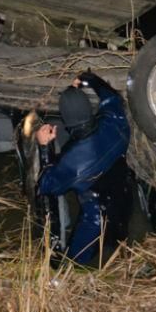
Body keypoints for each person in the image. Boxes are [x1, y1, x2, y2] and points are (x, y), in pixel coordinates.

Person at [35, 70, 131, 264]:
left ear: (65, 121)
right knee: (118, 242)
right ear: (89, 109)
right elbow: (112, 97)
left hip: (96, 219)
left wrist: (44, 147)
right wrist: (89, 78)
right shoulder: (114, 121)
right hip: (125, 198)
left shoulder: (73, 162)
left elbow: (46, 186)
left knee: (75, 264)